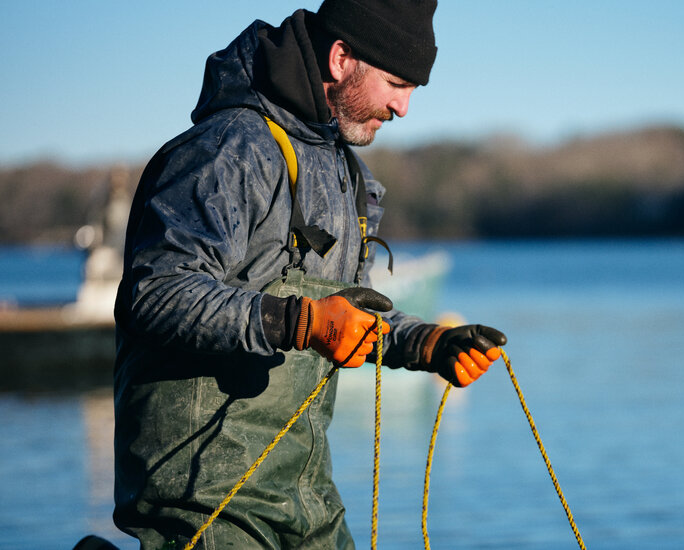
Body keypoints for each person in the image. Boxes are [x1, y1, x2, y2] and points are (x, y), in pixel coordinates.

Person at [109, 1, 507, 548]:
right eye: (396, 83)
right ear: (342, 58)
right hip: (203, 500)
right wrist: (299, 322)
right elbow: (155, 293)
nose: (404, 107)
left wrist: (425, 343)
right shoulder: (230, 148)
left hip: (304, 499)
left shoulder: (346, 171)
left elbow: (348, 317)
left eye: (414, 89)